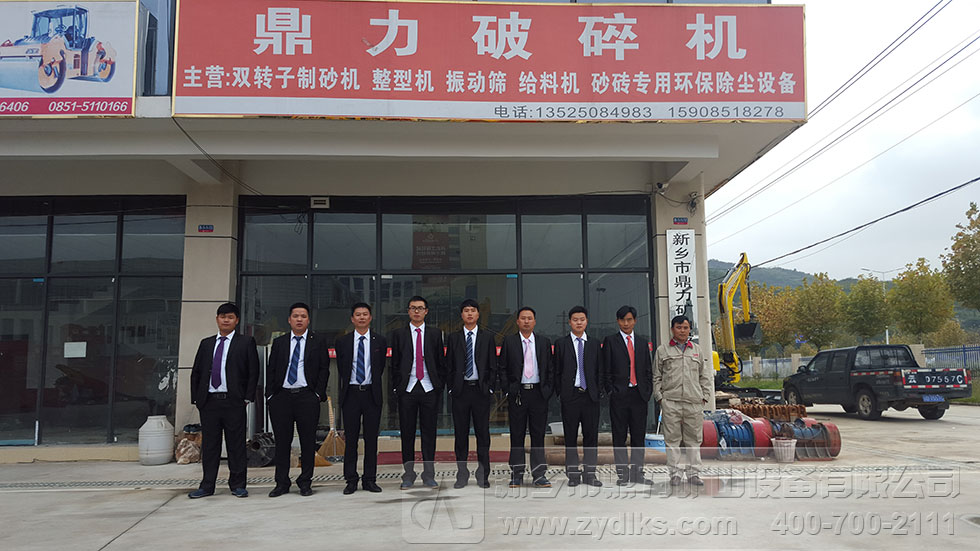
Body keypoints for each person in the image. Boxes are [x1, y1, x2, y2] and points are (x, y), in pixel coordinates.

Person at [188, 303, 259, 499]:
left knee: (236, 445)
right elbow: (197, 372)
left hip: (233, 401)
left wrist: (247, 397)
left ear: (236, 320)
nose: (226, 320)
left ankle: (238, 485)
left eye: (230, 317)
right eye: (222, 316)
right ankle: (207, 486)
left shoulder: (246, 342)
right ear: (217, 319)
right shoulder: (206, 343)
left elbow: (253, 372)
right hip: (209, 402)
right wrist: (197, 399)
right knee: (210, 446)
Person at [265, 302, 330, 497]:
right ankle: (281, 483)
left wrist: (317, 394)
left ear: (308, 320)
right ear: (289, 320)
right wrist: (271, 395)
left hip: (307, 397)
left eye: (303, 316)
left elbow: (324, 369)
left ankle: (305, 482)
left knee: (308, 442)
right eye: (295, 316)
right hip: (282, 397)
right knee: (282, 443)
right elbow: (271, 369)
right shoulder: (280, 342)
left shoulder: (318, 341)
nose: (299, 319)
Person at [390, 296, 446, 489]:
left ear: (426, 311)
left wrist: (439, 385)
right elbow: (395, 363)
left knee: (429, 434)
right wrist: (397, 386)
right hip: (408, 389)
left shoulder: (435, 333)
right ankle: (408, 474)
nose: (416, 311)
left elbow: (440, 361)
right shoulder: (399, 334)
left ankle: (429, 475)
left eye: (420, 308)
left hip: (429, 388)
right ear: (408, 311)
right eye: (413, 308)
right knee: (407, 434)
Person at [653, 315, 712, 487]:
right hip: (671, 402)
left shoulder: (697, 350)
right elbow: (656, 377)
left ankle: (693, 473)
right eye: (678, 327)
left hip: (694, 402)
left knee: (694, 440)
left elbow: (704, 376)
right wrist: (660, 398)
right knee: (672, 440)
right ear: (672, 329)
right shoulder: (663, 351)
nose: (682, 331)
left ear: (689, 329)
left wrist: (704, 397)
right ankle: (675, 474)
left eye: (685, 328)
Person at [498, 306, 554, 488]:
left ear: (535, 321)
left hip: (538, 394)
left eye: (530, 318)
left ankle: (539, 475)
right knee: (517, 435)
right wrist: (508, 390)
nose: (526, 321)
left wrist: (547, 390)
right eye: (523, 318)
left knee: (538, 435)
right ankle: (517, 474)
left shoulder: (544, 342)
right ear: (517, 321)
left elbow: (550, 368)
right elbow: (502, 368)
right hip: (518, 394)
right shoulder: (510, 341)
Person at [335, 302, 387, 495]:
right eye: (358, 314)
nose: (362, 317)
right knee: (351, 439)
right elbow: (342, 368)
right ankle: (351, 479)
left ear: (370, 317)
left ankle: (370, 479)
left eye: (365, 314)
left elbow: (380, 367)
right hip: (351, 394)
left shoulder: (379, 341)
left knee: (371, 439)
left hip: (372, 394)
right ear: (352, 318)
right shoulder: (343, 342)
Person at [446, 299, 497, 489]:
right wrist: (452, 388)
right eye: (466, 310)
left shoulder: (487, 337)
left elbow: (493, 365)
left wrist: (489, 387)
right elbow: (449, 365)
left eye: (473, 310)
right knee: (461, 435)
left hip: (480, 391)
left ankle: (483, 475)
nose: (469, 313)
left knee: (483, 435)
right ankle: (462, 474)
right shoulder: (454, 338)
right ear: (461, 314)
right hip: (461, 391)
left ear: (478, 314)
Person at [601, 305, 654, 486]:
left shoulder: (642, 342)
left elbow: (647, 370)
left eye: (629, 320)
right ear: (618, 321)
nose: (626, 323)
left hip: (639, 396)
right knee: (619, 436)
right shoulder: (611, 341)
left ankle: (638, 473)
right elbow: (606, 370)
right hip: (619, 396)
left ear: (635, 321)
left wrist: (647, 390)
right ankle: (622, 474)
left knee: (638, 437)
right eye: (622, 320)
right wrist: (611, 391)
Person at [553, 305, 603, 487]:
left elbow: (600, 370)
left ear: (587, 321)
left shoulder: (595, 344)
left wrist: (598, 391)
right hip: (571, 396)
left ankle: (590, 475)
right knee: (570, 437)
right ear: (569, 322)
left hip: (590, 397)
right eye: (575, 320)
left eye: (582, 319)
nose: (579, 323)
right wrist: (561, 392)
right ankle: (573, 475)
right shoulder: (561, 343)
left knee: (591, 437)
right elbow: (556, 370)